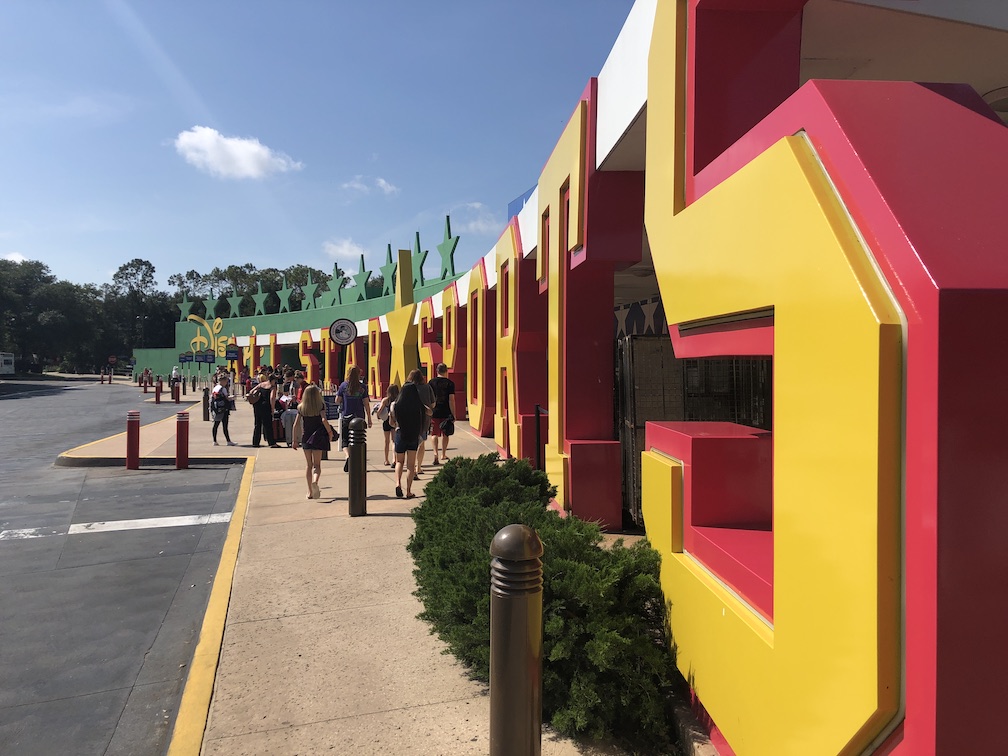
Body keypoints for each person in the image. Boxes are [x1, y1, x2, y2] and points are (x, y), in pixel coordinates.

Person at [291, 383, 335, 500]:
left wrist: (294, 440)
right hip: (318, 438)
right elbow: (324, 419)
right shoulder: (320, 406)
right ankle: (315, 481)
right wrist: (330, 432)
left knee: (308, 465)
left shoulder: (301, 407)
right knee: (317, 465)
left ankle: (310, 492)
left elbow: (296, 425)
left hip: (306, 438)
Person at [390, 381, 425, 499]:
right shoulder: (418, 405)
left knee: (399, 462)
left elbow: (391, 422)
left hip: (400, 434)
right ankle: (409, 491)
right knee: (411, 465)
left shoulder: (395, 405)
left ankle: (397, 484)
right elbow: (429, 412)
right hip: (413, 435)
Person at [335, 365, 372, 472]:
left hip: (346, 415)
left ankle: (348, 456)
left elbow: (337, 400)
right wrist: (369, 418)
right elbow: (366, 403)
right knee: (359, 440)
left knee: (345, 440)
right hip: (359, 417)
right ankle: (358, 462)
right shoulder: (362, 387)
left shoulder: (343, 386)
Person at [427, 363, 457, 464]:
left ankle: (435, 453)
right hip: (446, 411)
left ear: (437, 371)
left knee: (434, 433)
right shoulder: (450, 383)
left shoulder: (431, 382)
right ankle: (443, 454)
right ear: (446, 371)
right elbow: (451, 400)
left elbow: (429, 398)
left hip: (434, 411)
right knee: (445, 433)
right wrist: (453, 413)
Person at [409, 369, 435, 476]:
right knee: (422, 443)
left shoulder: (407, 388)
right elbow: (433, 404)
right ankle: (418, 467)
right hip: (424, 420)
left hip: (410, 419)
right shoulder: (427, 387)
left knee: (412, 444)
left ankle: (411, 467)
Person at [251, 370, 280, 448]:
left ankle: (255, 442)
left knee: (257, 424)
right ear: (273, 380)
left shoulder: (261, 384)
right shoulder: (272, 387)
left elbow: (251, 391)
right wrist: (272, 409)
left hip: (257, 406)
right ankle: (271, 442)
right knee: (268, 425)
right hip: (266, 407)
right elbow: (272, 398)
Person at [373, 383, 400, 467]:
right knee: (394, 441)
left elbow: (379, 410)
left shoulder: (385, 400)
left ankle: (386, 460)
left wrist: (378, 416)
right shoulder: (398, 399)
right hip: (394, 420)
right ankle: (394, 459)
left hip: (386, 421)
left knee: (386, 441)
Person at [210, 374, 237, 446]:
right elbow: (227, 398)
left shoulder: (215, 388)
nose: (226, 382)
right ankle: (228, 441)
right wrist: (233, 397)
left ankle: (214, 441)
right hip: (224, 408)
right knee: (225, 425)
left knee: (216, 425)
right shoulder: (223, 388)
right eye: (226, 381)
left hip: (217, 408)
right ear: (222, 381)